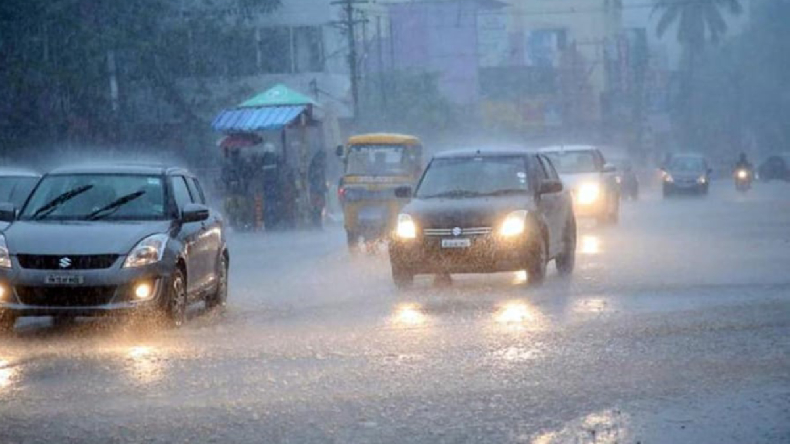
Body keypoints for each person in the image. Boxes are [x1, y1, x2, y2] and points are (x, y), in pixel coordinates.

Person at [308, 149, 328, 228]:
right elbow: (319, 178)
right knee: (318, 208)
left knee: (317, 207)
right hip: (317, 190)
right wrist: (323, 186)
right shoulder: (318, 166)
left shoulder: (315, 165)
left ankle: (316, 224)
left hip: (316, 189)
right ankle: (317, 224)